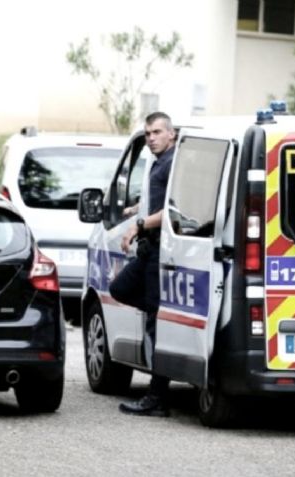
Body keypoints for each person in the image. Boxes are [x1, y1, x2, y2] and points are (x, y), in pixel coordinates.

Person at [109, 111, 176, 417]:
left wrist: (139, 223)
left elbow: (173, 210)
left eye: (157, 132)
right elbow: (158, 203)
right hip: (149, 251)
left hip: (161, 249)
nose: (151, 138)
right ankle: (160, 312)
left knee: (156, 323)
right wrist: (139, 207)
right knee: (120, 288)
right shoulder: (157, 161)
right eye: (148, 133)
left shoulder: (173, 162)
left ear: (171, 134)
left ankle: (157, 397)